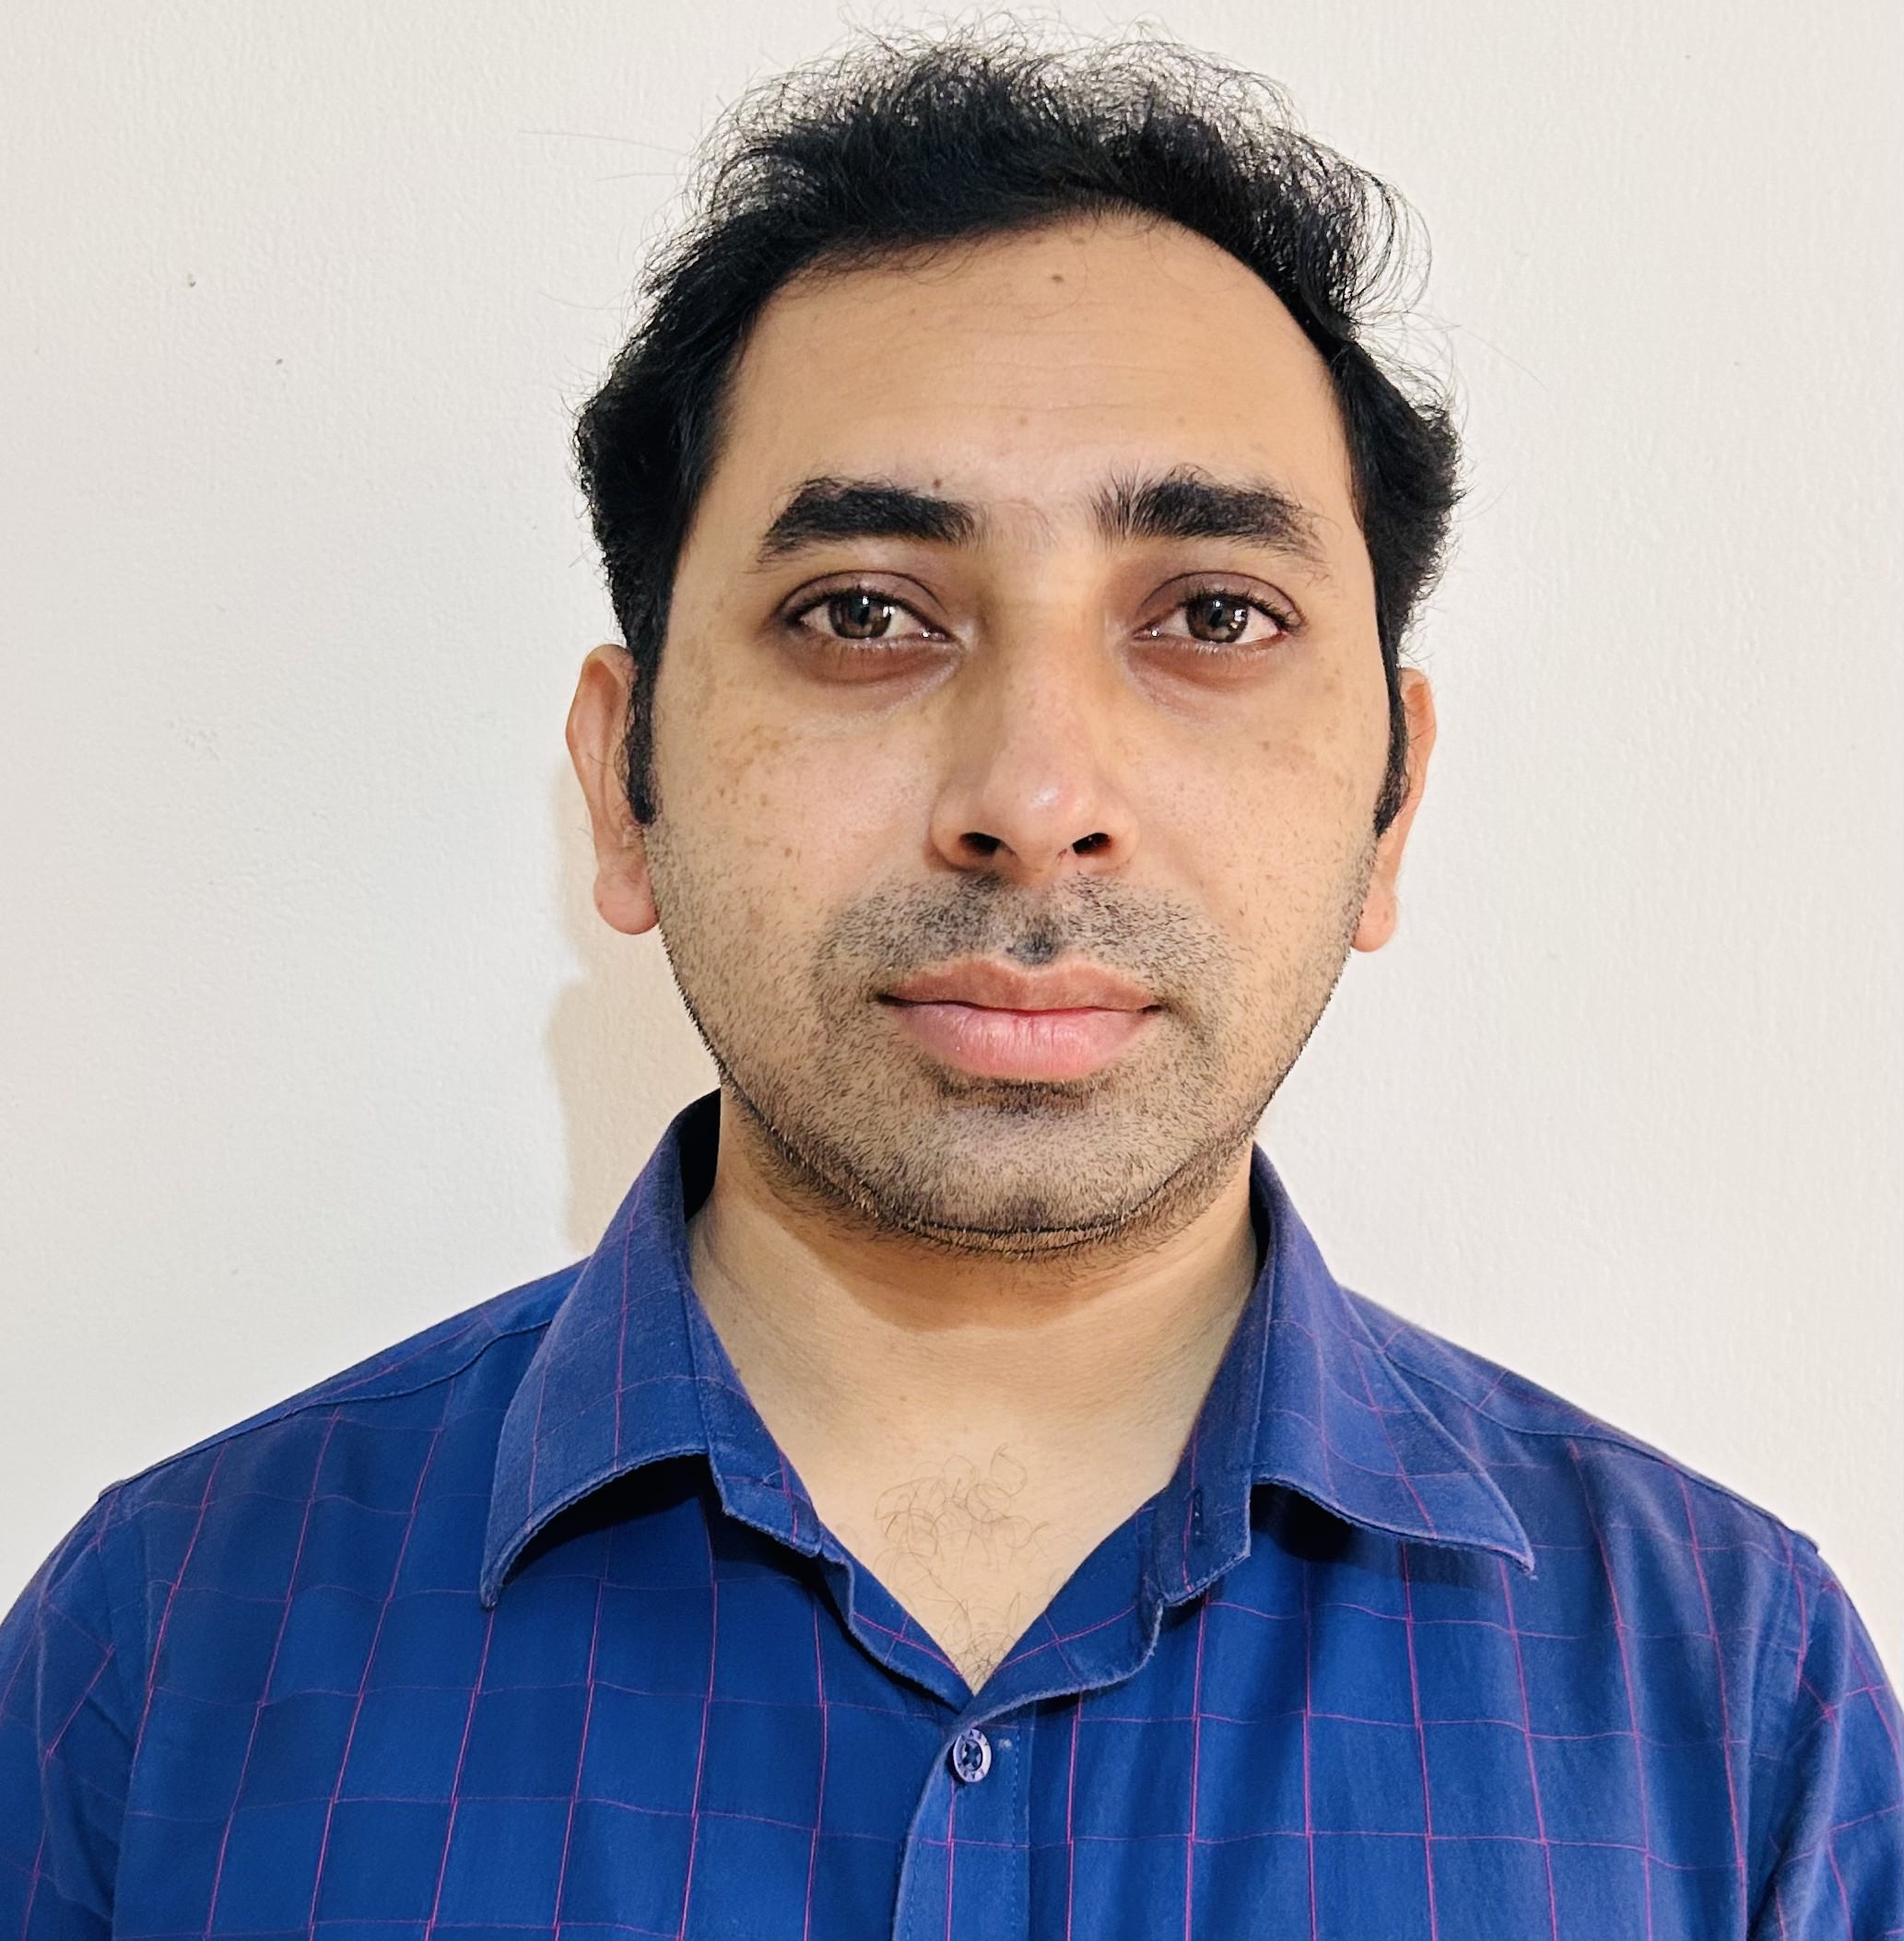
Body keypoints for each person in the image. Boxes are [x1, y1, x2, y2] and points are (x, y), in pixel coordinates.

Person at [2, 29, 1897, 1939]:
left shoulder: (1736, 1713)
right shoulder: (160, 1663)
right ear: (625, 781)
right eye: (862, 614)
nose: (1034, 798)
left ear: (1390, 802)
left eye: (1211, 615)